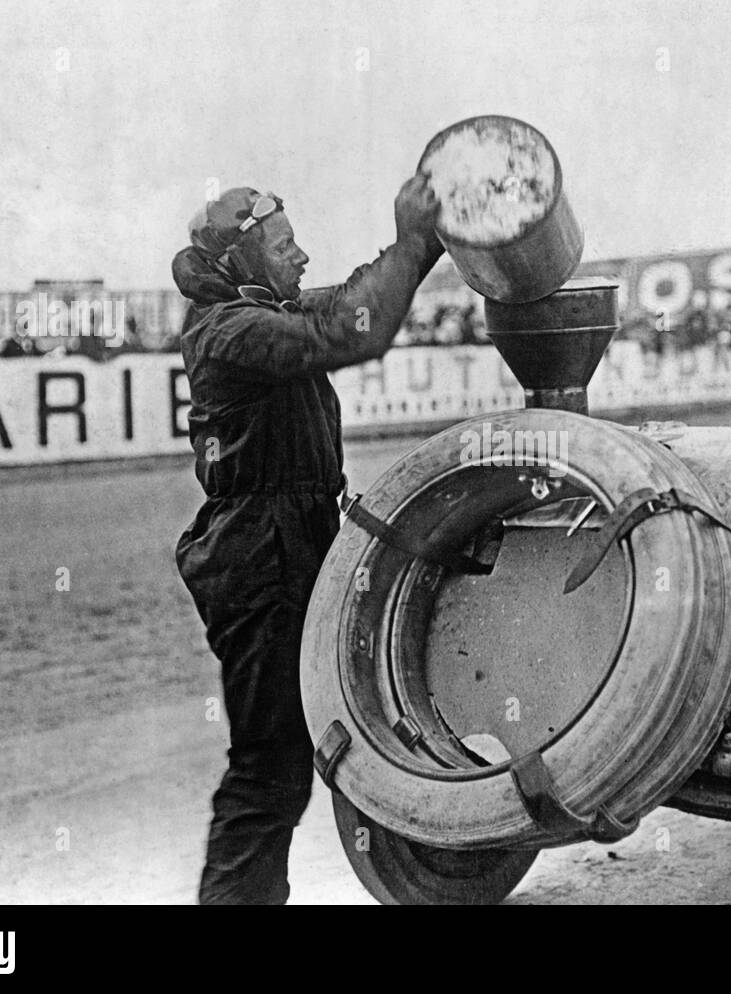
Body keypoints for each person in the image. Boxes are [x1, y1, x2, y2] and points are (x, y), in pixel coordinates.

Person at [172, 178, 442, 905]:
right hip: (260, 559)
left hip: (285, 547)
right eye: (286, 245)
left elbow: (351, 299)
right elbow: (353, 327)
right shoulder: (229, 331)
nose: (302, 256)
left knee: (303, 756)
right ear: (242, 258)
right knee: (268, 771)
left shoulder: (259, 311)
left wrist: (425, 247)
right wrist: (414, 241)